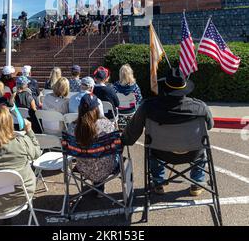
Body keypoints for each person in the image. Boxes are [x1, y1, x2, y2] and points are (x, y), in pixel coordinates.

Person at [121, 68, 214, 196]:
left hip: (161, 153)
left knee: (152, 149)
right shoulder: (200, 107)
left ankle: (158, 182)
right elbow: (210, 125)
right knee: (202, 149)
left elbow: (133, 129)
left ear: (165, 88)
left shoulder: (148, 107)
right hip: (193, 153)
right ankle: (197, 183)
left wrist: (124, 141)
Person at [67, 93, 118, 196]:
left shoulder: (72, 127)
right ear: (96, 108)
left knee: (92, 156)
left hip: (83, 169)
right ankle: (99, 186)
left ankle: (97, 185)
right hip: (108, 167)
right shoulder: (107, 124)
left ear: (80, 108)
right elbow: (116, 144)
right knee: (111, 152)